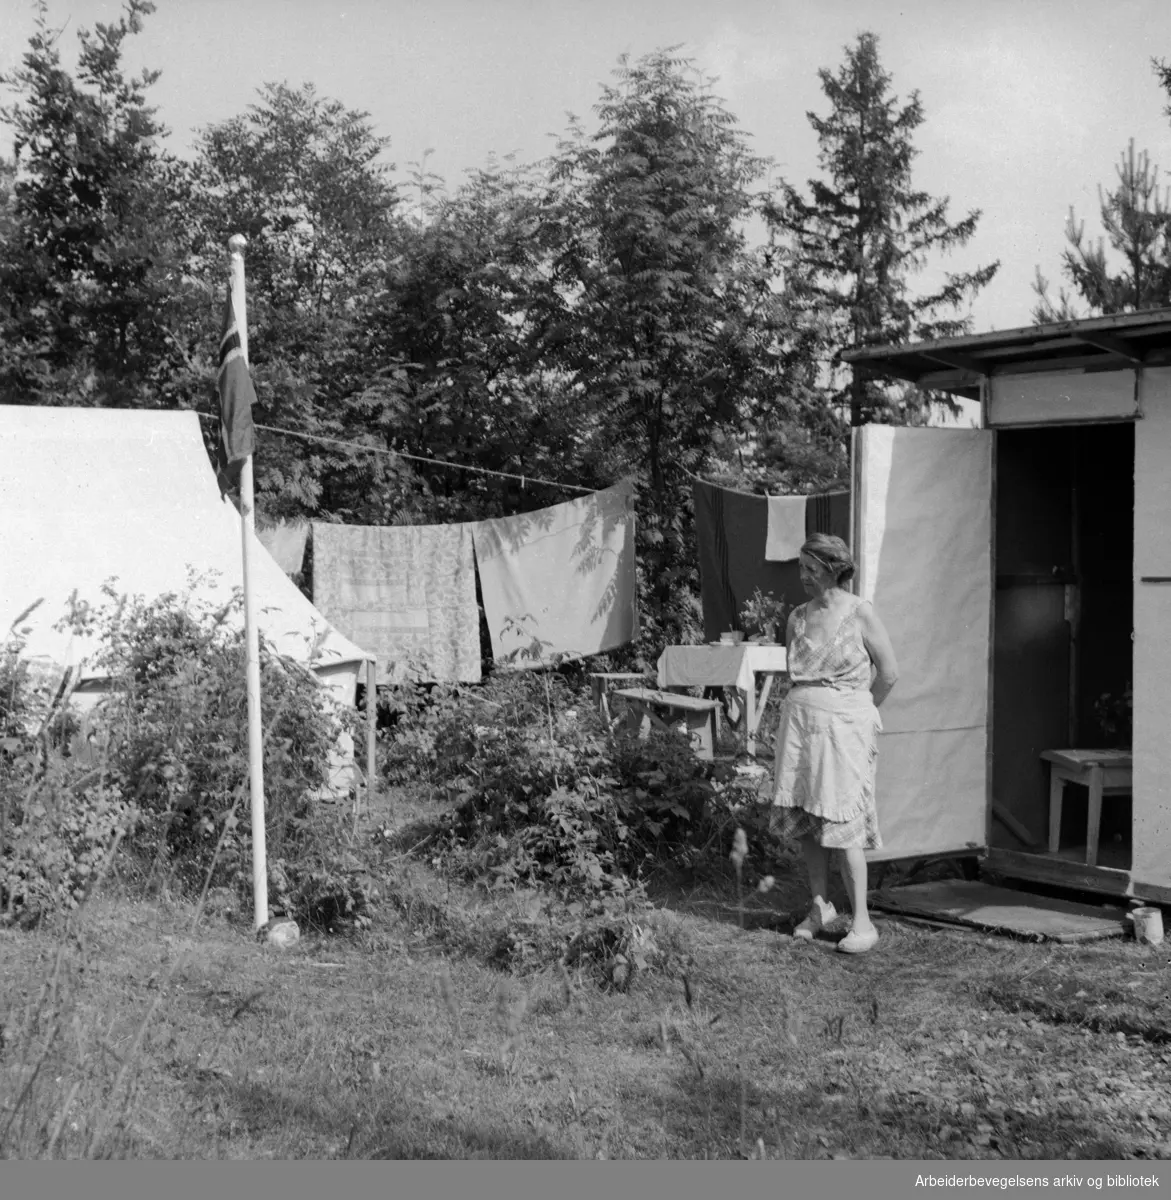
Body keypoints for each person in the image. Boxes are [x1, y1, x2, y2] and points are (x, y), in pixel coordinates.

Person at [768, 533, 899, 954]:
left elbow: (889, 673)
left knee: (846, 825)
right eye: (801, 568)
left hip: (845, 732)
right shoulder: (797, 617)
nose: (803, 576)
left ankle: (862, 922)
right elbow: (796, 673)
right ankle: (820, 907)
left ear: (833, 569)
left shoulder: (860, 613)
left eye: (812, 569)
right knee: (808, 819)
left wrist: (857, 711)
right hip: (802, 728)